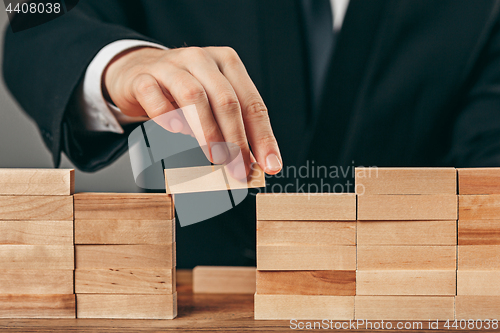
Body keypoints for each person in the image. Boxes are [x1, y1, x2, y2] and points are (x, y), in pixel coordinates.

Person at [4, 0, 500, 267]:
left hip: (396, 299)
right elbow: (36, 18)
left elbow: (487, 159)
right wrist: (123, 64)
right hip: (191, 289)